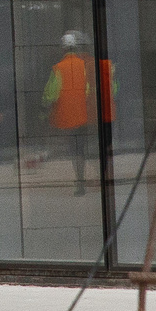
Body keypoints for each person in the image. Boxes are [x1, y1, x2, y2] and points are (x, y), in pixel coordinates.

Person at [42, 31, 111, 195]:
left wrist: (44, 109)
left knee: (75, 151)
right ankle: (91, 178)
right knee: (83, 149)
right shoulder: (83, 65)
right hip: (83, 116)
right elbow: (87, 90)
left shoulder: (58, 68)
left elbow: (51, 94)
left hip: (66, 118)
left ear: (63, 49)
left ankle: (80, 181)